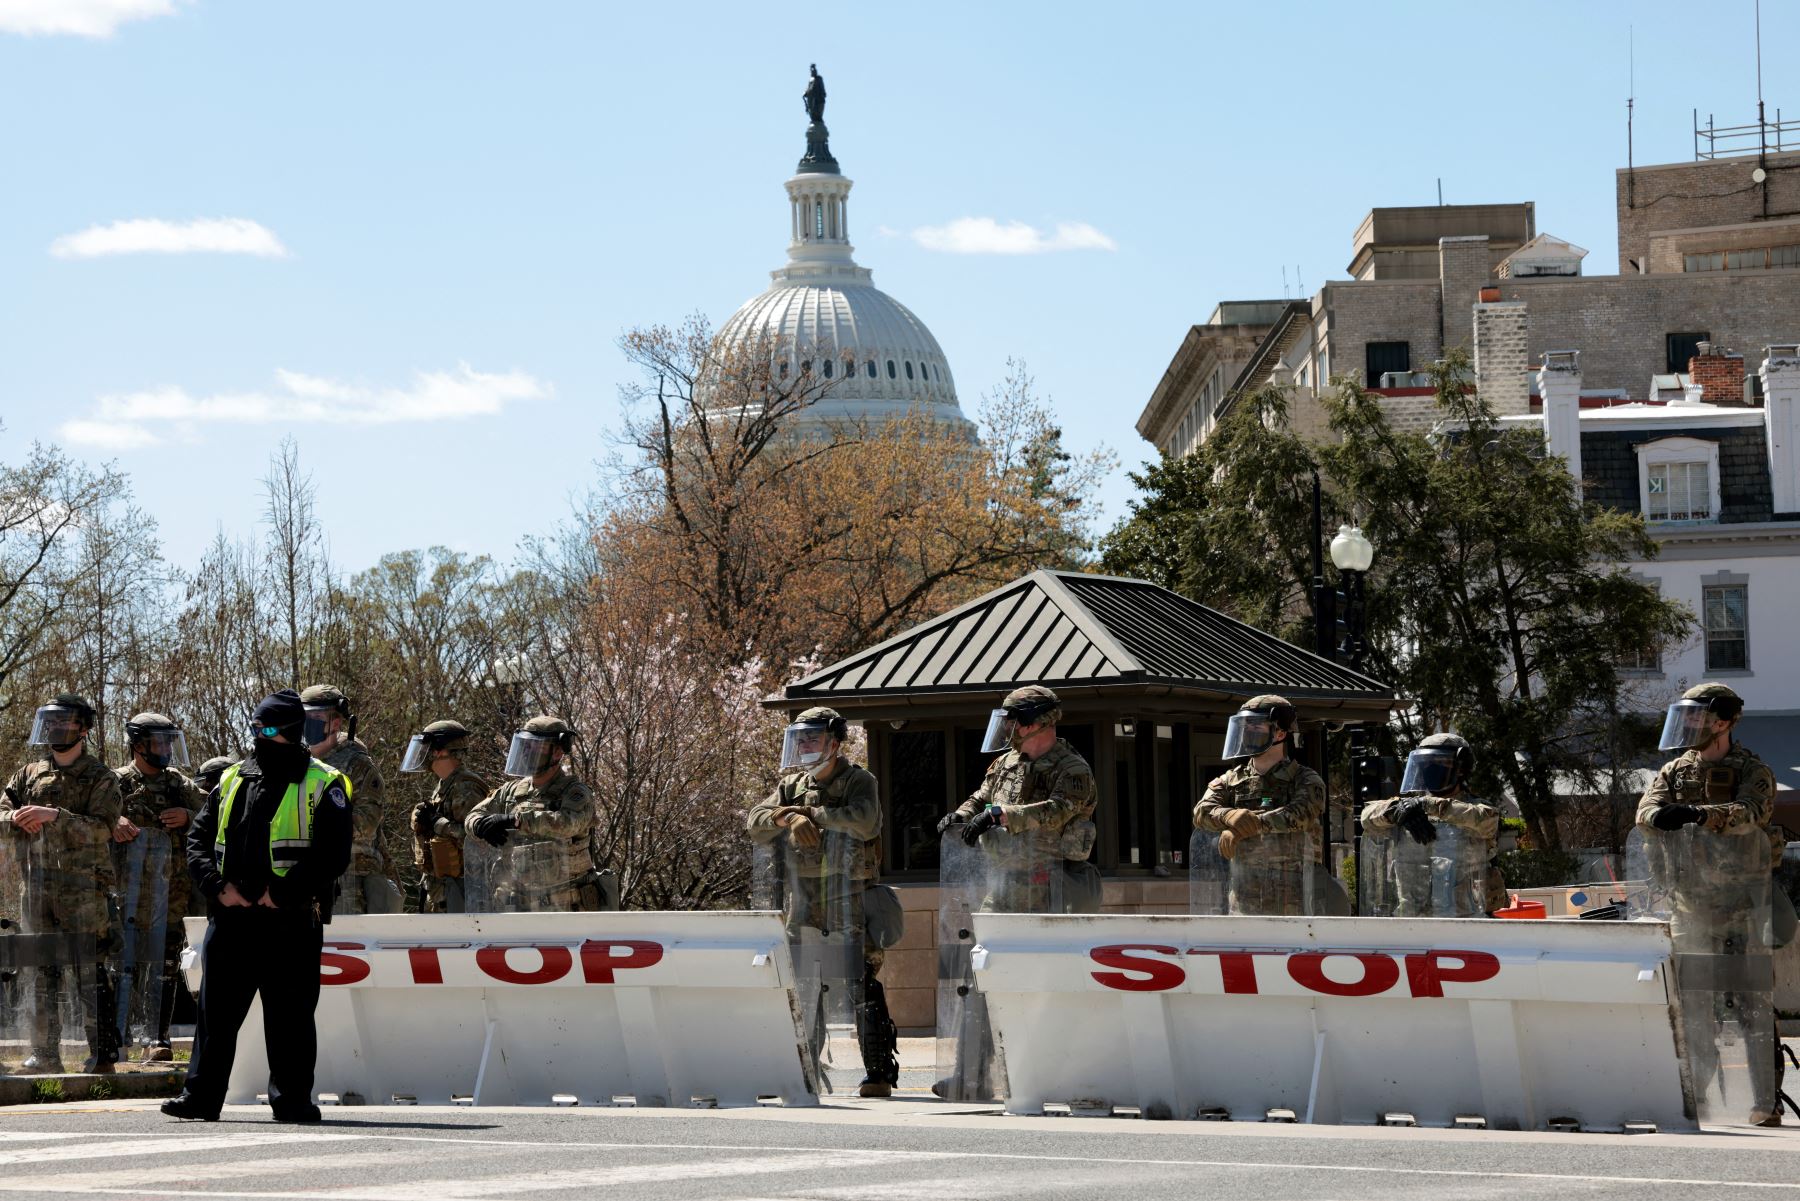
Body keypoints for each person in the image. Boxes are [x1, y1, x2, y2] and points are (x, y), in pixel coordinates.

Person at [162, 690, 351, 1123]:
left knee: (291, 1017)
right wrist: (216, 886)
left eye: (266, 730)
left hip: (289, 918)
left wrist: (282, 893)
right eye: (255, 729)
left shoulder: (324, 782)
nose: (258, 738)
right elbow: (199, 840)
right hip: (231, 916)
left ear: (289, 732)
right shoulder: (231, 778)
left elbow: (332, 855)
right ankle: (201, 1097)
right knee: (215, 1017)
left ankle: (292, 1100)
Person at [1636, 681, 1783, 1126]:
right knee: (1691, 1007)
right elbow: (1645, 814)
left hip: (1743, 905)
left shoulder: (1752, 769)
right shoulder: (1675, 770)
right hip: (1691, 906)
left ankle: (1764, 1101)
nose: (1691, 725)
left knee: (1752, 1004)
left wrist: (1703, 815)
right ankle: (1696, 1098)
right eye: (1688, 717)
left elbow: (1753, 812)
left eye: (1699, 717)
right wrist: (1660, 816)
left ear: (1724, 721)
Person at [747, 706, 898, 1098]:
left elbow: (865, 820)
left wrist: (810, 813)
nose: (804, 746)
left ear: (834, 742)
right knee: (802, 984)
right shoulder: (792, 786)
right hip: (806, 899)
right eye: (800, 739)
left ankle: (879, 1072)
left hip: (850, 895)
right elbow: (754, 821)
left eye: (812, 738)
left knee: (859, 981)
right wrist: (785, 817)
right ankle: (802, 1070)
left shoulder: (858, 780)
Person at [0, 694, 122, 1074]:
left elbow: (103, 828)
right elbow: (2, 811)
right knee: (40, 971)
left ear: (84, 729)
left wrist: (54, 815)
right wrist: (17, 818)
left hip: (83, 892)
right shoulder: (28, 773)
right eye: (50, 722)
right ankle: (45, 1054)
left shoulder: (100, 777)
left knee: (89, 969)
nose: (56, 729)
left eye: (65, 722)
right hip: (36, 890)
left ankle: (102, 1054)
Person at [937, 685, 1097, 913]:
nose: (1006, 729)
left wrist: (1001, 816)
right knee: (986, 945)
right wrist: (961, 814)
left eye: (1013, 722)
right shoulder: (1006, 763)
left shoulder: (1072, 769)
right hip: (1003, 885)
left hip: (1050, 891)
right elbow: (982, 798)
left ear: (1034, 723)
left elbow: (1057, 811)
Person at [112, 712, 203, 1061]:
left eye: (169, 741)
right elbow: (89, 819)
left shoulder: (178, 784)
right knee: (121, 965)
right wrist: (113, 821)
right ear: (137, 745)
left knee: (164, 966)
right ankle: (117, 1038)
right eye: (157, 742)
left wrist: (189, 817)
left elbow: (217, 815)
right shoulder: (115, 782)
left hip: (171, 895)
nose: (165, 748)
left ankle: (157, 1038)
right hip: (126, 895)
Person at [1193, 694, 1325, 916]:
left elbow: (1300, 815)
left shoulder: (1305, 779)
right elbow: (1201, 812)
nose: (1248, 733)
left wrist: (1245, 826)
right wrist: (1228, 816)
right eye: (1245, 726)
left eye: (1256, 727)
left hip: (1295, 903)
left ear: (1280, 733)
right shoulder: (1231, 780)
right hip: (1244, 902)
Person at [463, 716, 602, 911]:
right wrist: (480, 825)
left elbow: (568, 824)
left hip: (566, 906)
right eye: (525, 746)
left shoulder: (574, 792)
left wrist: (517, 820)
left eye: (536, 746)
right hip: (518, 903)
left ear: (558, 750)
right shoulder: (511, 791)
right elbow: (473, 815)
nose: (527, 753)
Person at [1361, 733, 1507, 916]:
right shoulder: (1408, 809)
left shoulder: (1476, 810)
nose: (1429, 769)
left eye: (1438, 762)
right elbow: (1366, 818)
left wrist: (1427, 804)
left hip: (1465, 924)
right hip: (1413, 925)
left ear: (1461, 768)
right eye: (1424, 764)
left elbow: (1485, 820)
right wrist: (1396, 810)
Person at [300, 685, 392, 914]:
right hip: (304, 876)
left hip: (350, 880)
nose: (309, 722)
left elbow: (367, 822)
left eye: (317, 716)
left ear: (336, 722)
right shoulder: (297, 763)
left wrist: (318, 826)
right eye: (305, 716)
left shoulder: (356, 764)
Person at [402, 720, 488, 913]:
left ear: (440, 751)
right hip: (441, 889)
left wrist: (437, 823)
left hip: (461, 889)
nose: (423, 754)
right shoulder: (446, 785)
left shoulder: (466, 788)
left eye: (427, 748)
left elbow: (475, 842)